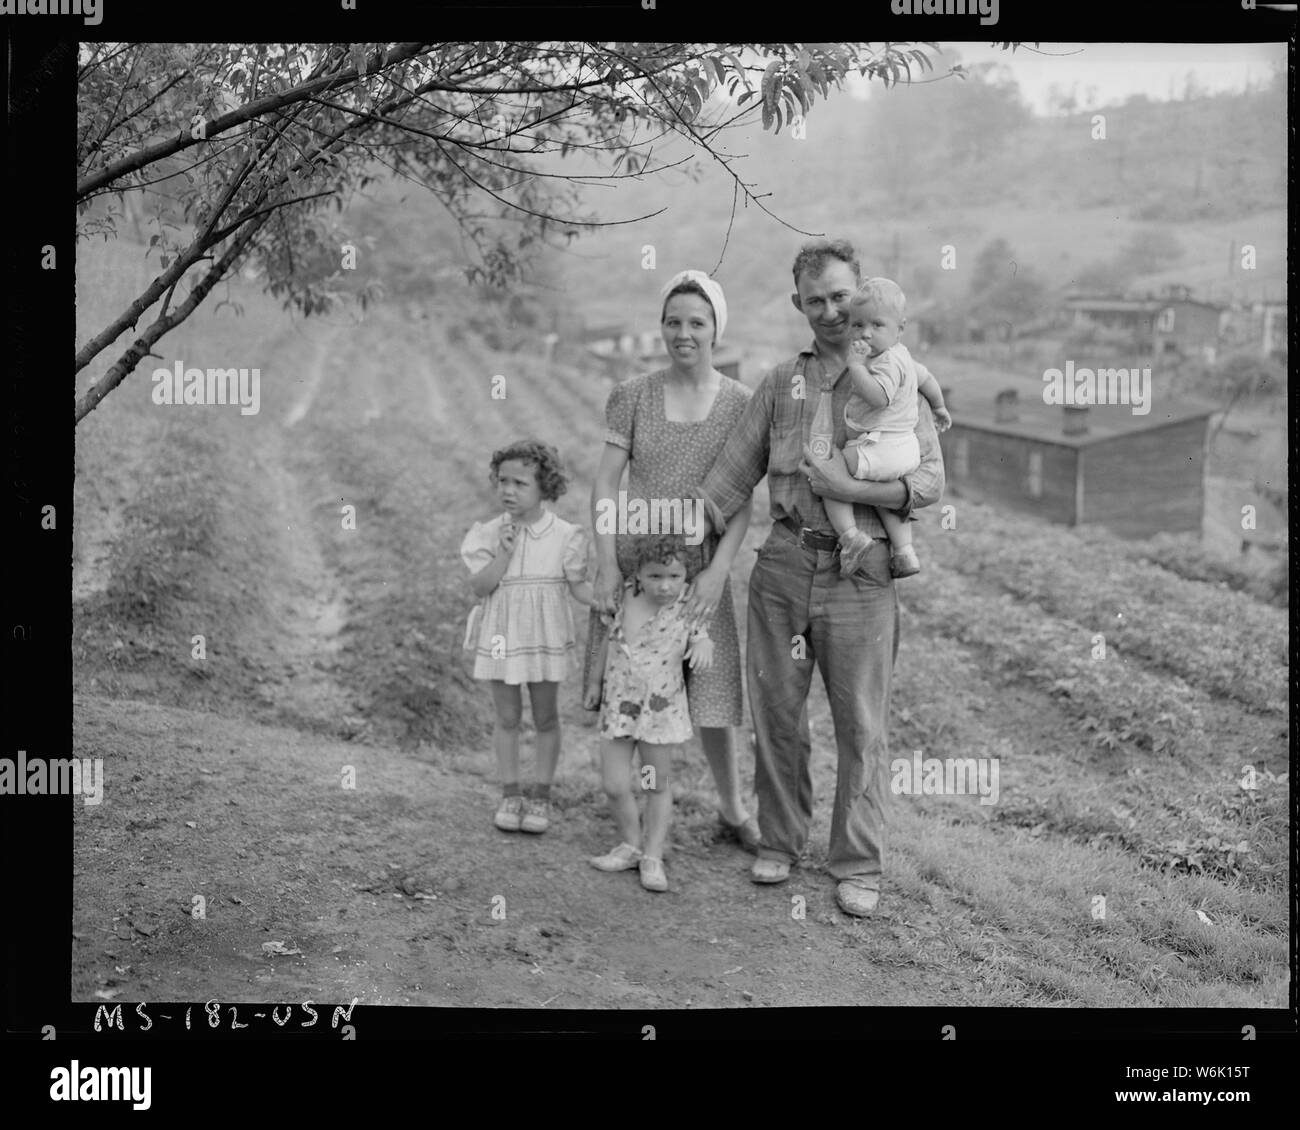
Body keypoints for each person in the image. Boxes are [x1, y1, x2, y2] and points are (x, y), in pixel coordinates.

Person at [698, 239, 945, 917]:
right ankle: (779, 840)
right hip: (782, 564)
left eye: (843, 296)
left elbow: (928, 483)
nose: (834, 311)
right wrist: (660, 542)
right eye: (818, 300)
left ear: (863, 293)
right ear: (798, 306)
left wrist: (850, 485)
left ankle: (858, 863)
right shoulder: (783, 383)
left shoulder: (899, 375)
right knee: (777, 712)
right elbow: (728, 480)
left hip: (861, 570)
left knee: (860, 722)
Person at [590, 269, 759, 850]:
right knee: (634, 681)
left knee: (710, 692)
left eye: (697, 322)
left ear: (716, 329)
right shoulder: (633, 395)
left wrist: (718, 571)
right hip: (641, 565)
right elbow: (606, 483)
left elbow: (741, 502)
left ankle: (733, 809)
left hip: (702, 566)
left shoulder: (740, 404)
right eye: (673, 322)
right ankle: (637, 822)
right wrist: (609, 561)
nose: (683, 333)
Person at [461, 439, 592, 835]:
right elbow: (480, 587)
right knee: (507, 716)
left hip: (544, 635)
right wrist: (503, 553)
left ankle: (541, 795)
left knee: (546, 716)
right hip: (503, 635)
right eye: (502, 481)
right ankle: (510, 793)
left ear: (544, 487)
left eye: (520, 483)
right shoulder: (488, 532)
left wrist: (608, 599)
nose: (507, 491)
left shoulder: (566, 535)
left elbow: (579, 588)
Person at [589, 533, 713, 893]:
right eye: (656, 576)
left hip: (658, 711)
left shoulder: (687, 605)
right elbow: (608, 643)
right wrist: (594, 684)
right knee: (613, 784)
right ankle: (630, 843)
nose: (665, 586)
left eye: (674, 577)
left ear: (686, 576)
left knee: (654, 783)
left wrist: (704, 644)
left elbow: (702, 635)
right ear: (639, 575)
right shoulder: (626, 596)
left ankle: (652, 855)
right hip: (619, 705)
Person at [825, 277, 952, 578]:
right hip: (904, 451)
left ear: (900, 328)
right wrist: (939, 406)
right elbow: (927, 380)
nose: (865, 334)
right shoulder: (905, 357)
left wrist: (855, 365)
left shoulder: (883, 363)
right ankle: (905, 551)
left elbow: (879, 398)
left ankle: (850, 537)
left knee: (831, 475)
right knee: (882, 496)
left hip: (882, 445)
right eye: (858, 326)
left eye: (877, 326)